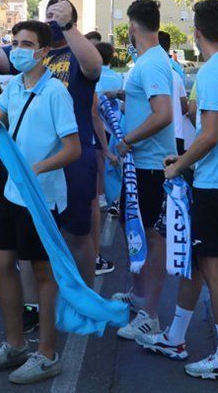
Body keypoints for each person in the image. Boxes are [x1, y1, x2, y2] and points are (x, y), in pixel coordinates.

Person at [0, 0, 101, 315]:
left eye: (60, 14)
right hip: (27, 165)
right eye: (50, 14)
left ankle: (85, 299)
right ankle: (33, 307)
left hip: (72, 160)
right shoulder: (25, 58)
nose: (53, 18)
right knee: (30, 245)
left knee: (76, 234)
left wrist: (70, 26)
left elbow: (94, 65)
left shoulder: (76, 50)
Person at [135, 0, 218, 380]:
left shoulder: (213, 72)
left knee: (213, 267)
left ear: (196, 32)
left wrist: (179, 165)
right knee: (196, 263)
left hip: (217, 182)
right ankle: (176, 335)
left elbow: (211, 135)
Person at [0, 20, 80, 384]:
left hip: (41, 196)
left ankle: (48, 354)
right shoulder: (15, 88)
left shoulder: (56, 93)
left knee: (41, 273)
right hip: (12, 191)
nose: (18, 49)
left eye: (26, 44)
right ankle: (15, 344)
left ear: (43, 52)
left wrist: (35, 169)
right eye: (14, 42)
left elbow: (73, 149)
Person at [112, 0, 175, 340]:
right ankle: (139, 296)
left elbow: (163, 113)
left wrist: (128, 141)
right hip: (142, 163)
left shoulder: (151, 63)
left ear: (133, 27)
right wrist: (120, 94)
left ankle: (150, 313)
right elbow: (145, 102)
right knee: (132, 227)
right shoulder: (149, 62)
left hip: (149, 163)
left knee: (150, 236)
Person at [92, 41, 120, 275]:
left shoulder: (91, 78)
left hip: (94, 136)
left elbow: (94, 113)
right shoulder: (115, 79)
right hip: (110, 131)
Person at [160, 31, 189, 154]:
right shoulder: (177, 70)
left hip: (160, 137)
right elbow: (184, 105)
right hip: (178, 134)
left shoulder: (152, 69)